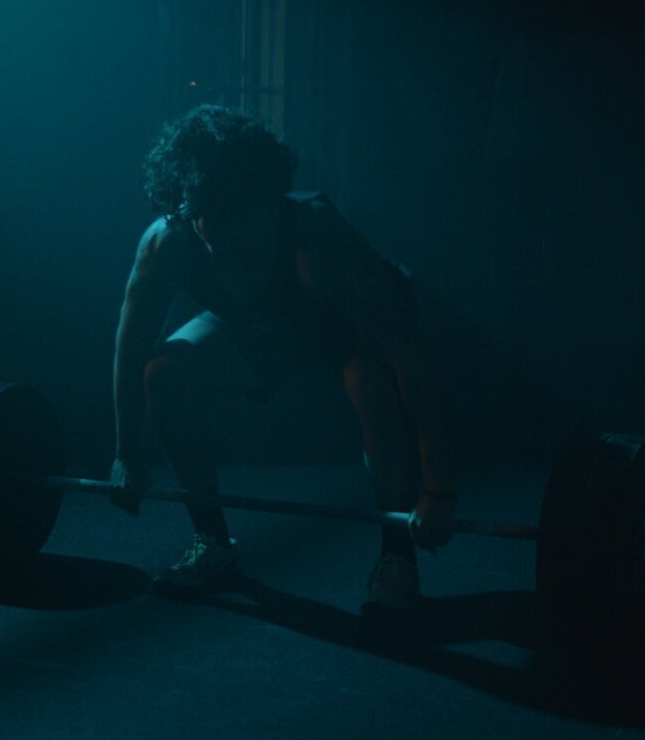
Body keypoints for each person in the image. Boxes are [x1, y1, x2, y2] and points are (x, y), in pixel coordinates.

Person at [110, 104, 456, 611]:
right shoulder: (169, 241)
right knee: (163, 372)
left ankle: (397, 555)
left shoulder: (317, 236)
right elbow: (130, 349)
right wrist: (127, 454)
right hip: (254, 331)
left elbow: (408, 357)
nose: (218, 235)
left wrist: (438, 489)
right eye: (206, 220)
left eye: (236, 222)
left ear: (268, 206)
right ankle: (213, 542)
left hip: (339, 334)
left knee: (374, 385)